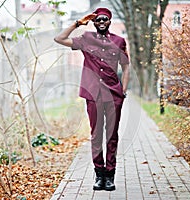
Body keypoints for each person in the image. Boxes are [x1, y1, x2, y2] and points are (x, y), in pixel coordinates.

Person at [54, 8, 130, 191]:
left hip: (113, 95)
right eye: (98, 20)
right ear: (94, 23)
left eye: (104, 19)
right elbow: (59, 39)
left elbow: (126, 67)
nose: (101, 22)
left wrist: (123, 90)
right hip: (93, 94)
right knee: (96, 135)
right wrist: (79, 22)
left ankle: (110, 176)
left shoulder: (119, 41)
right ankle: (99, 174)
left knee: (112, 135)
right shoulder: (86, 39)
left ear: (110, 21)